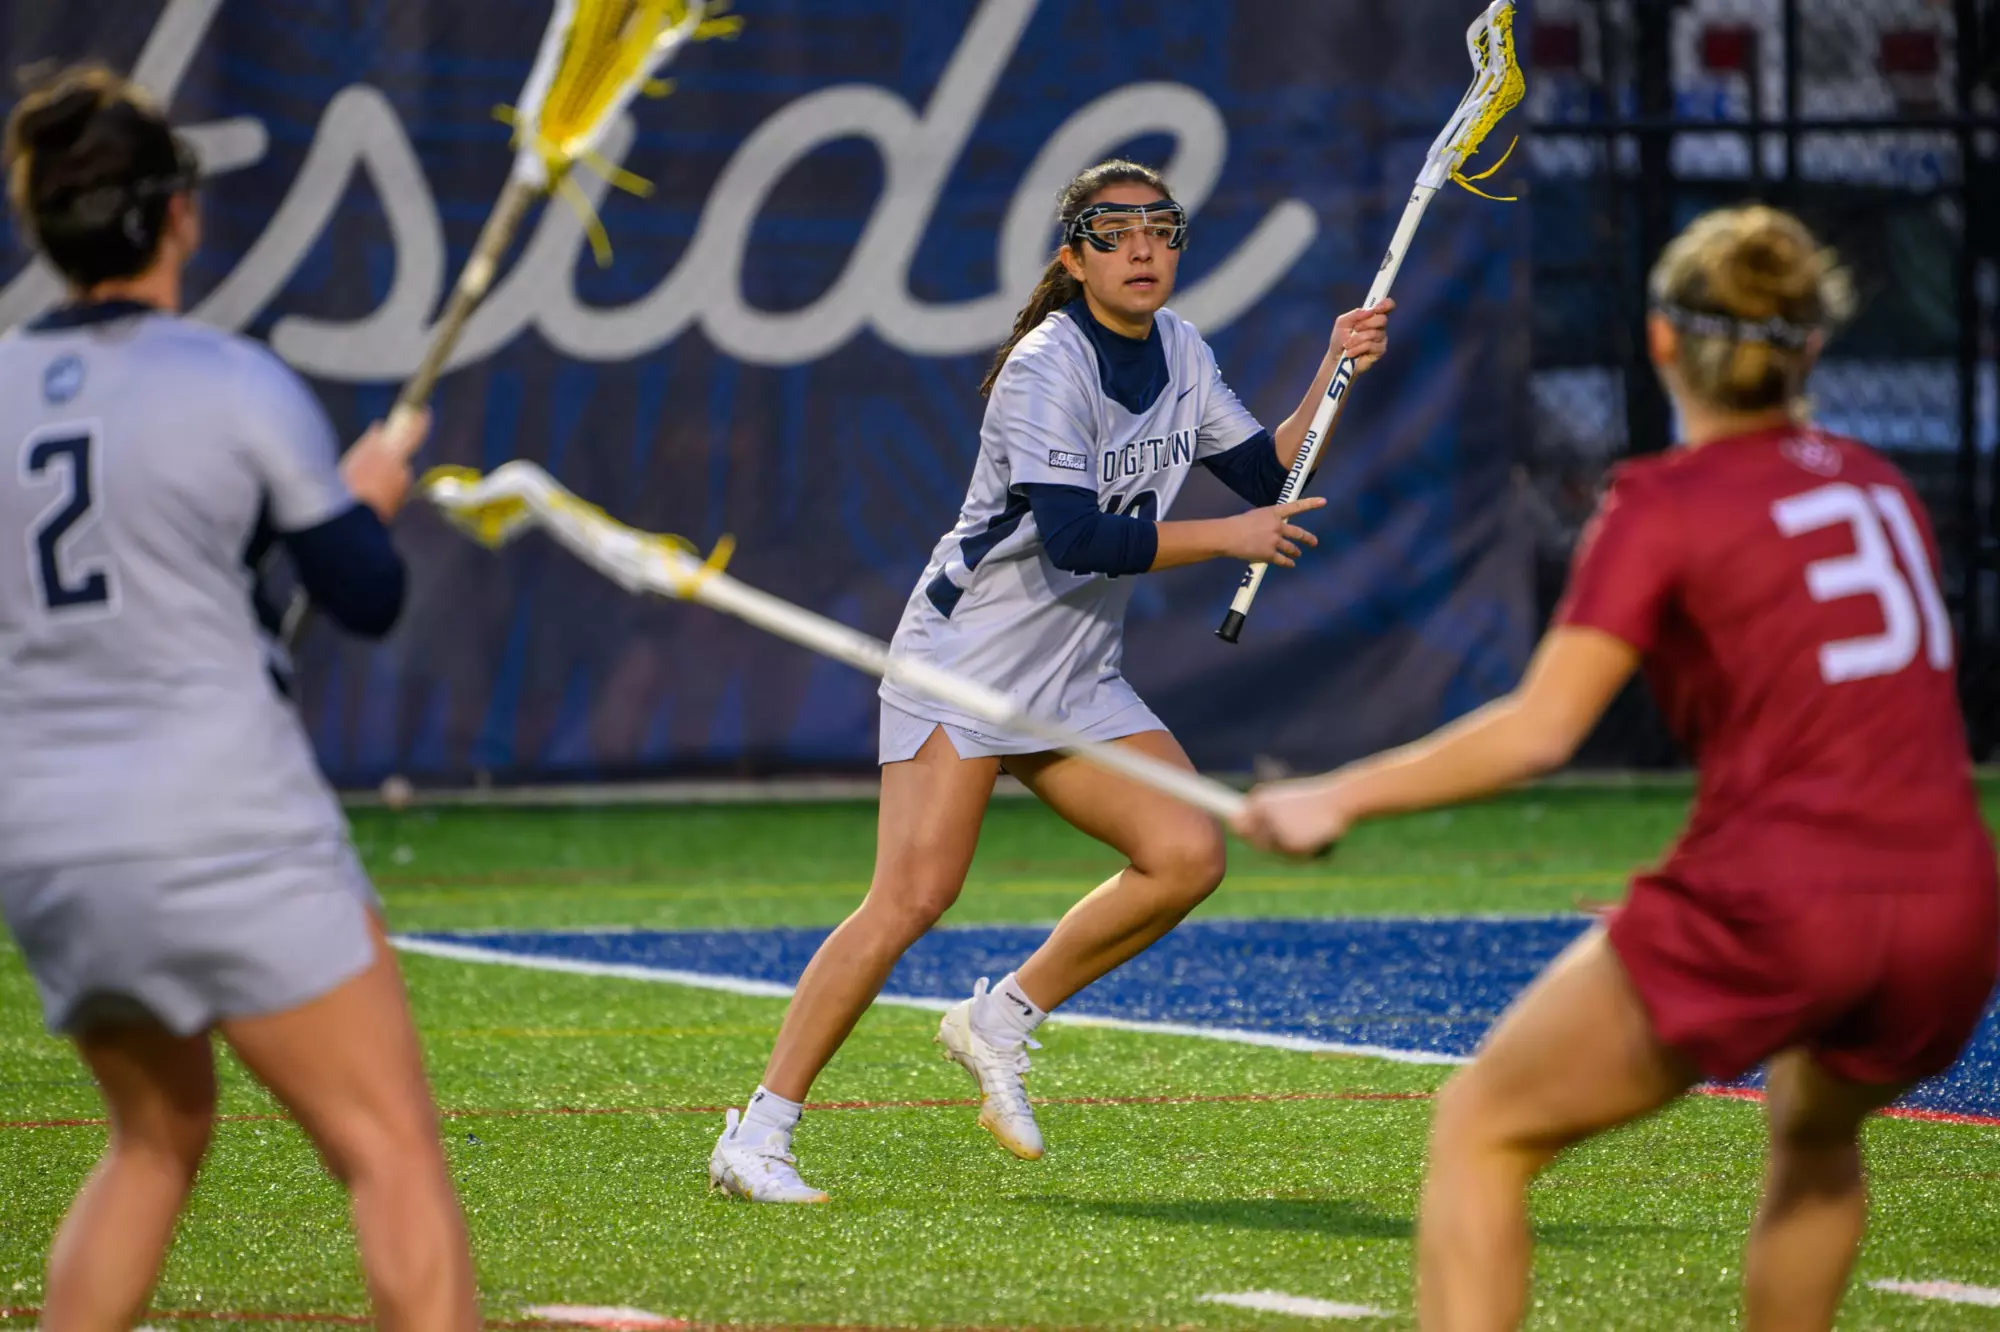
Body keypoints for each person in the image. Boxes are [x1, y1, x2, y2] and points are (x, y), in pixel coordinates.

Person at [1237, 205, 1999, 1332]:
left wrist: (1330, 793)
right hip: (1953, 910)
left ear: (1657, 342)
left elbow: (1540, 730)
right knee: (1814, 1130)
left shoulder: (1663, 502)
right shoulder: (1878, 486)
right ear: (1812, 347)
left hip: (1782, 897)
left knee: (1480, 1129)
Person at [710, 158, 1395, 1202]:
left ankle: (1000, 1017)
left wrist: (1331, 371)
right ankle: (757, 1134)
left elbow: (1265, 475)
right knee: (909, 898)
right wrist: (1226, 539)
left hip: (1072, 672)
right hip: (966, 665)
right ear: (1072, 256)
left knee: (1183, 853)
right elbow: (1075, 539)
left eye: (1160, 232)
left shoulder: (1181, 349)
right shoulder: (1045, 364)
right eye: (1113, 233)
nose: (1141, 251)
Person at [0, 65, 478, 1330]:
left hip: (46, 844)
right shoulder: (225, 381)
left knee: (153, 1141)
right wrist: (362, 486)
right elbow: (361, 592)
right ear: (178, 218)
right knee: (388, 1153)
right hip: (222, 819)